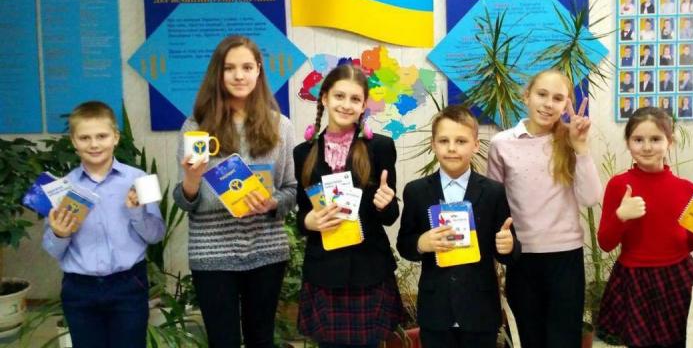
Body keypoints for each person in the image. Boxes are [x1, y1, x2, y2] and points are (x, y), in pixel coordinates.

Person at [173, 35, 297, 348]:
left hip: (266, 250)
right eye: (229, 68)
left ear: (259, 70)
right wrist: (191, 180)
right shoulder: (196, 127)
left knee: (261, 339)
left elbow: (292, 189)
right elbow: (185, 201)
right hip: (212, 252)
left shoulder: (280, 125)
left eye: (246, 67)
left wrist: (272, 203)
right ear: (218, 73)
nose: (239, 75)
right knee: (222, 341)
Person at [596, 107, 693, 347]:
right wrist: (621, 216)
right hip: (634, 279)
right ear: (628, 143)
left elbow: (688, 242)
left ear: (669, 142)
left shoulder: (686, 188)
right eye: (638, 139)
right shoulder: (619, 185)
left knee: (683, 340)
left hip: (678, 276)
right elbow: (605, 244)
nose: (647, 147)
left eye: (655, 139)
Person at [488, 70, 602, 348]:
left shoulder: (570, 139)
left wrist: (581, 147)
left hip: (566, 257)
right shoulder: (501, 143)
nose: (549, 104)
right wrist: (497, 256)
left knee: (564, 338)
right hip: (521, 257)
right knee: (528, 337)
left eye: (558, 98)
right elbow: (494, 204)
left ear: (565, 105)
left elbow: (590, 198)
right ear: (526, 96)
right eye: (542, 94)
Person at [294, 63, 403, 347]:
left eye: (355, 99)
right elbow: (302, 213)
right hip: (324, 271)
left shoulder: (380, 147)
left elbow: (391, 216)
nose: (346, 105)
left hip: (370, 270)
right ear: (325, 98)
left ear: (364, 105)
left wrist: (385, 203)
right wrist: (309, 221)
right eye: (339, 96)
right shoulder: (303, 153)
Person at [43, 101, 165, 348]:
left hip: (128, 285)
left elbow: (156, 235)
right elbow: (52, 250)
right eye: (84, 138)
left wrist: (137, 213)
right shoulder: (61, 188)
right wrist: (59, 234)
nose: (94, 144)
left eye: (102, 136)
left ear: (115, 137)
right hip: (80, 290)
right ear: (74, 141)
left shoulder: (139, 179)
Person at [397, 105, 520, 348]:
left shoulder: (493, 192)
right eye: (444, 141)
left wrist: (508, 246)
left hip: (480, 310)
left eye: (461, 141)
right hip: (436, 310)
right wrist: (421, 243)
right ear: (433, 145)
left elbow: (509, 252)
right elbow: (404, 245)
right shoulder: (416, 191)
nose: (452, 148)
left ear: (475, 145)